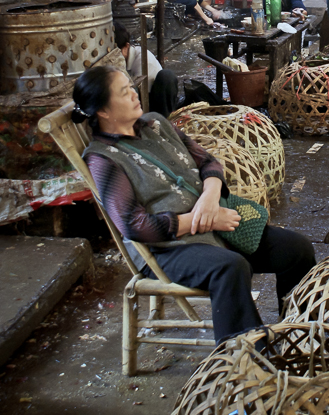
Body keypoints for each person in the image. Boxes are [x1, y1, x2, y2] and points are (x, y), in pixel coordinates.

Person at [73, 66, 316, 345]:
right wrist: (207, 220)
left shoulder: (155, 124)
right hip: (167, 250)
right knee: (231, 267)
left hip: (218, 222)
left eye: (131, 86)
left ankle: (296, 333)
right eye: (124, 91)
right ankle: (244, 359)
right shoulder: (103, 160)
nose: (134, 94)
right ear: (103, 111)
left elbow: (208, 162)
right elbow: (134, 226)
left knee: (297, 250)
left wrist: (210, 197)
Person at [114, 21, 179, 118]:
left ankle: (165, 119)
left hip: (153, 101)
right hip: (136, 101)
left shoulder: (142, 59)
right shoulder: (120, 61)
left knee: (167, 75)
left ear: (126, 46)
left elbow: (138, 94)